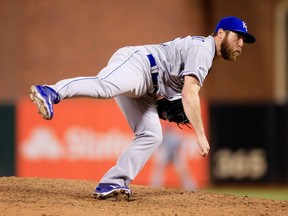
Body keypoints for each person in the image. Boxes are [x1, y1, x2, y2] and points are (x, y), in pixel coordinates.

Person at [29, 16, 256, 200]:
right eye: (238, 37)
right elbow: (189, 93)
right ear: (221, 33)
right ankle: (51, 91)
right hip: (139, 64)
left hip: (149, 86)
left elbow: (176, 90)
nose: (241, 44)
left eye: (244, 40)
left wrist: (165, 104)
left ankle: (114, 181)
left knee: (151, 134)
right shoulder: (203, 50)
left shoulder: (203, 56)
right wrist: (200, 135)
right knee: (106, 86)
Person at [150, 124, 197, 190]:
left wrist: (181, 158)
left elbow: (182, 148)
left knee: (183, 170)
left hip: (175, 154)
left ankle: (191, 187)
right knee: (158, 169)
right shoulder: (163, 136)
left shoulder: (177, 137)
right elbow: (159, 148)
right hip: (166, 153)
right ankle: (154, 186)